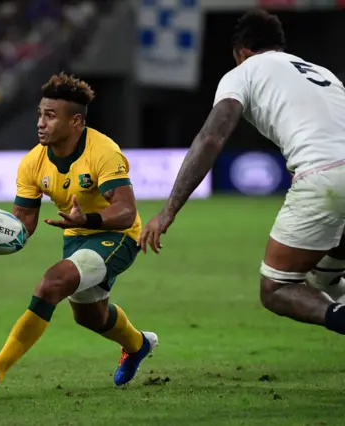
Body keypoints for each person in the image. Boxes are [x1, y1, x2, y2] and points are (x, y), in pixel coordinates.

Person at [139, 9, 345, 335]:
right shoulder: (323, 73)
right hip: (333, 174)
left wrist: (167, 211)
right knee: (323, 276)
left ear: (243, 53)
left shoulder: (243, 72)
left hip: (325, 177)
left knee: (276, 287)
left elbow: (211, 138)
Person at [0, 73, 158, 399]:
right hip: (76, 237)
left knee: (52, 283)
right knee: (90, 317)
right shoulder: (33, 163)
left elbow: (126, 212)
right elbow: (23, 222)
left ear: (75, 121)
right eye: (40, 114)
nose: (41, 123)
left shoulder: (103, 152)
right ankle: (137, 345)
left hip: (118, 237)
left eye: (50, 116)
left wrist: (88, 217)